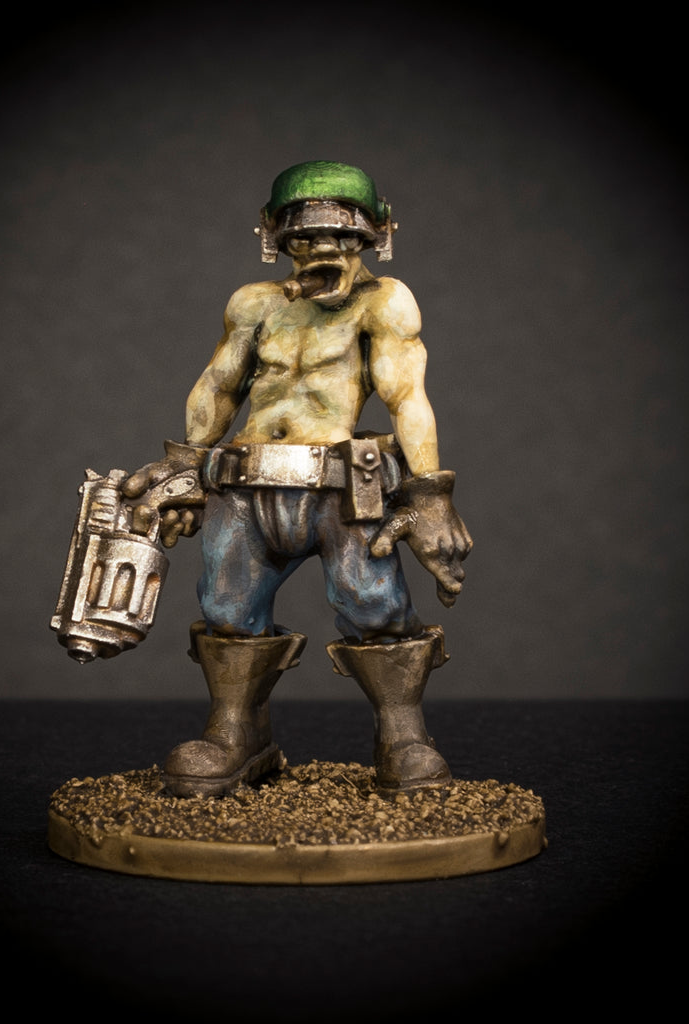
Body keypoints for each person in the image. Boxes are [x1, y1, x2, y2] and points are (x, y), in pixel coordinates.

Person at [122, 161, 472, 798]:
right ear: (275, 235)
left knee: (374, 605)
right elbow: (219, 386)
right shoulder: (254, 304)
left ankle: (403, 735)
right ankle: (236, 734)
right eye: (305, 235)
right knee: (227, 607)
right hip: (245, 484)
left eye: (342, 235)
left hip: (343, 489)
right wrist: (184, 462)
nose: (323, 247)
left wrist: (429, 496)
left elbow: (406, 396)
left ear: (376, 234)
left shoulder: (384, 302)